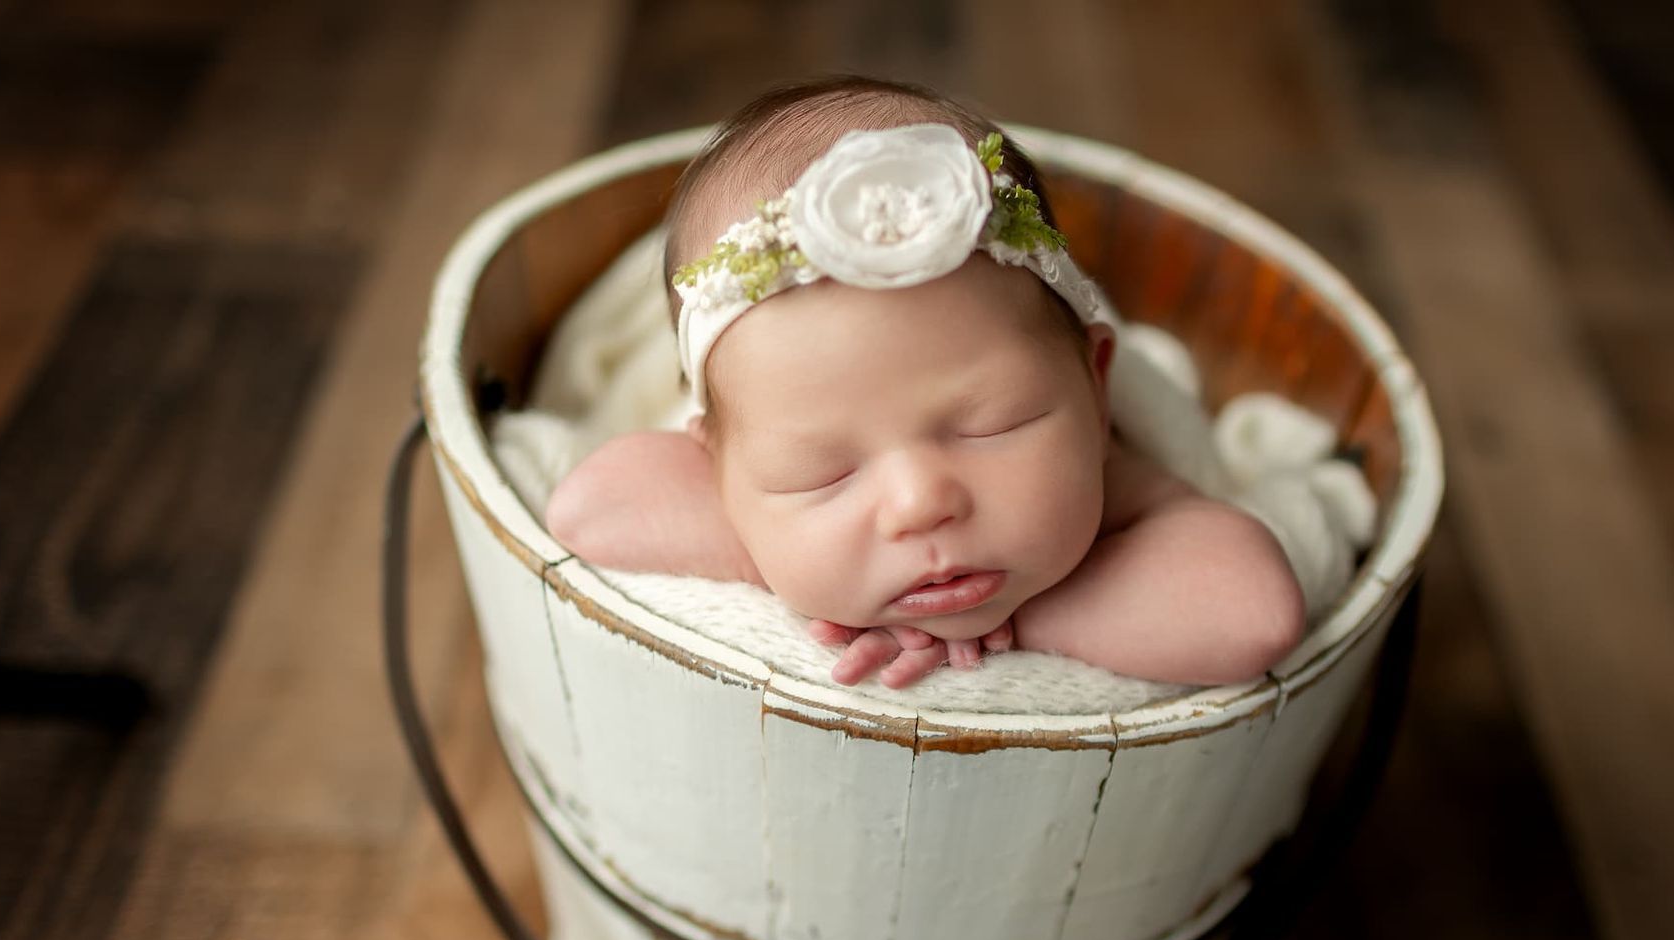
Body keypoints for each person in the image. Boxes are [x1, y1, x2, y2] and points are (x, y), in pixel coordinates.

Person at [547, 75, 1305, 690]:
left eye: (992, 425)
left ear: (1097, 387)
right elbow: (591, 506)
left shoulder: (1113, 473)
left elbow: (1253, 613)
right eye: (825, 472)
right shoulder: (760, 428)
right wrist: (791, 566)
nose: (920, 503)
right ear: (717, 465)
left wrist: (1018, 621)